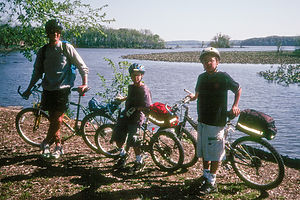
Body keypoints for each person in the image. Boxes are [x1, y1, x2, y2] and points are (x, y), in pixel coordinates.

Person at [22, 19, 89, 159]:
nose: (55, 34)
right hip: (48, 89)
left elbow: (82, 66)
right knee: (54, 120)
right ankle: (59, 146)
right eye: (52, 32)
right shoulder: (43, 51)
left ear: (60, 34)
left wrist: (84, 83)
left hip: (63, 89)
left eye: (58, 32)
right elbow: (37, 72)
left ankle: (45, 143)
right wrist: (29, 89)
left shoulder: (66, 48)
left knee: (57, 120)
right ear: (48, 33)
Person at [187, 47, 242, 195]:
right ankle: (206, 176)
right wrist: (193, 97)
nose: (207, 63)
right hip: (202, 120)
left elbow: (238, 89)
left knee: (215, 153)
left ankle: (212, 182)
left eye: (210, 60)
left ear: (217, 62)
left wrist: (235, 105)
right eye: (205, 61)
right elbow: (197, 95)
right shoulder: (201, 77)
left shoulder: (223, 76)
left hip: (216, 121)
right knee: (205, 150)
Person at [110, 63, 152, 172]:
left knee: (134, 140)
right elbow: (130, 97)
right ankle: (123, 154)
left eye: (138, 75)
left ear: (142, 76)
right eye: (133, 75)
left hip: (137, 116)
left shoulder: (144, 90)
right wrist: (123, 99)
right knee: (118, 135)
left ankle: (139, 160)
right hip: (127, 114)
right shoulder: (131, 87)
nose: (135, 77)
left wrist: (137, 108)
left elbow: (147, 106)